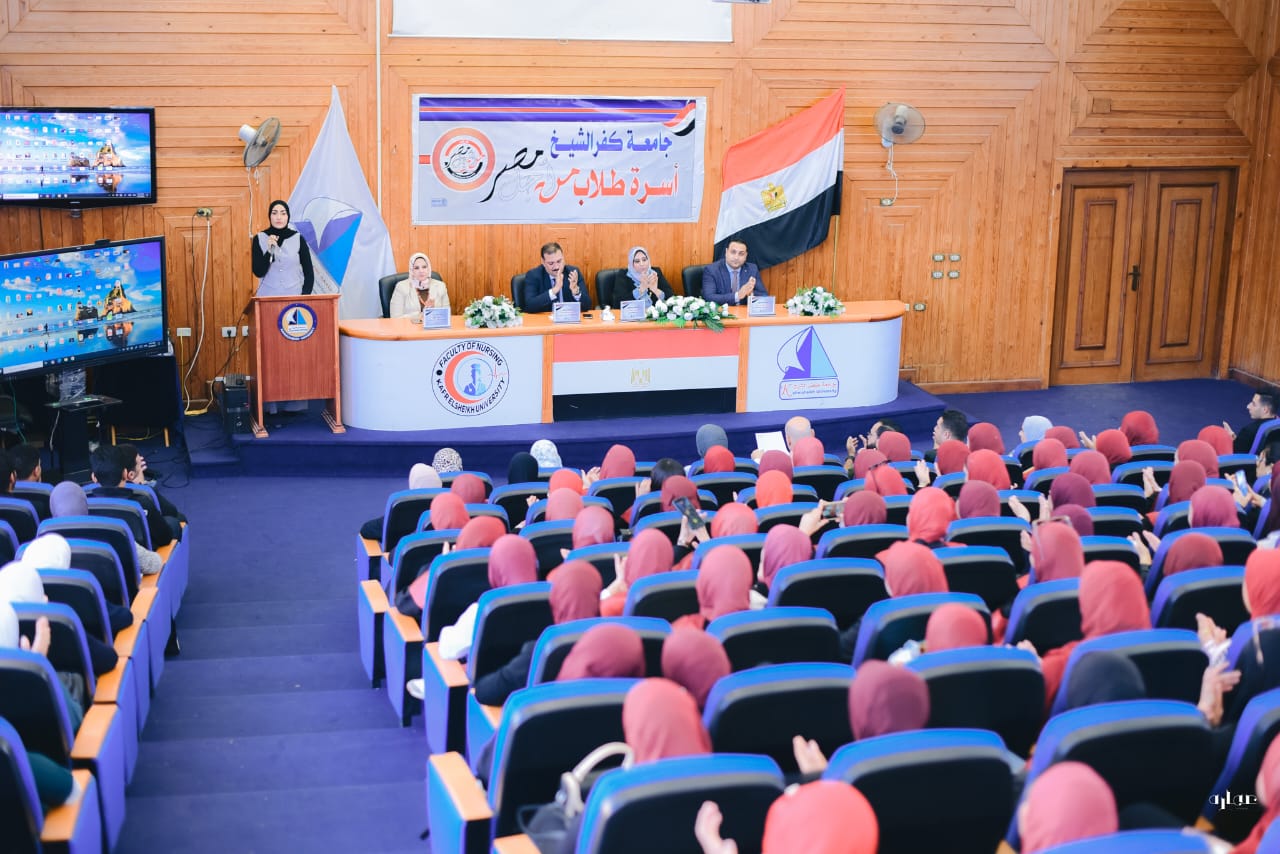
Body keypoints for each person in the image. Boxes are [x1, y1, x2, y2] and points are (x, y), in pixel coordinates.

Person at [250, 199, 314, 296]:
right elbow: (258, 272)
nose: (278, 217)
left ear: (288, 216)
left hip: (294, 297)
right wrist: (269, 251)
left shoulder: (298, 239)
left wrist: (304, 296)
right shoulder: (259, 238)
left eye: (283, 213)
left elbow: (309, 273)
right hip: (267, 297)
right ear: (269, 216)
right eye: (274, 213)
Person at [522, 242, 591, 313]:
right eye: (551, 263)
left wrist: (576, 292)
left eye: (559, 261)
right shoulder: (534, 275)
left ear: (563, 258)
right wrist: (555, 290)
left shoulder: (572, 273)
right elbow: (529, 306)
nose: (556, 267)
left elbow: (588, 306)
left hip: (569, 318)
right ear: (543, 262)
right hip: (545, 319)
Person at [701, 239, 765, 306]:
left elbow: (763, 295)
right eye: (733, 252)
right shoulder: (712, 270)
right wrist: (738, 295)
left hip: (744, 311)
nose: (736, 257)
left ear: (746, 256)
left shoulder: (752, 269)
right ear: (726, 252)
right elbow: (708, 297)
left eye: (741, 254)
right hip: (722, 311)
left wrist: (751, 294)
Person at [389, 252, 449, 319]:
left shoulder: (440, 286)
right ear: (412, 270)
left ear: (428, 268)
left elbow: (446, 315)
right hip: (408, 326)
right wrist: (420, 315)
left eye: (424, 267)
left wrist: (433, 309)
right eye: (416, 268)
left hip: (434, 325)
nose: (421, 271)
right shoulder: (401, 287)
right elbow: (395, 318)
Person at [1227, 389, 1278, 455]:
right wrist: (1238, 440)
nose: (1248, 406)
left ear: (1265, 410)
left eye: (1254, 404)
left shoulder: (1248, 431)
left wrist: (1229, 440)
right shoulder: (1277, 425)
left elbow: (1234, 456)